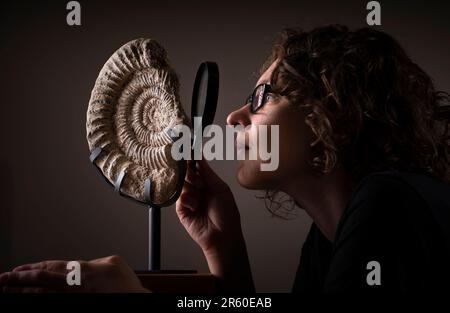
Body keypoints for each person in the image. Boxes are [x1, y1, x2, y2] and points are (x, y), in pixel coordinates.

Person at [1, 24, 450, 293]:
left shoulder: (387, 209)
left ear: (328, 114)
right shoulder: (328, 239)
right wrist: (226, 252)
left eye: (260, 98)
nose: (235, 116)